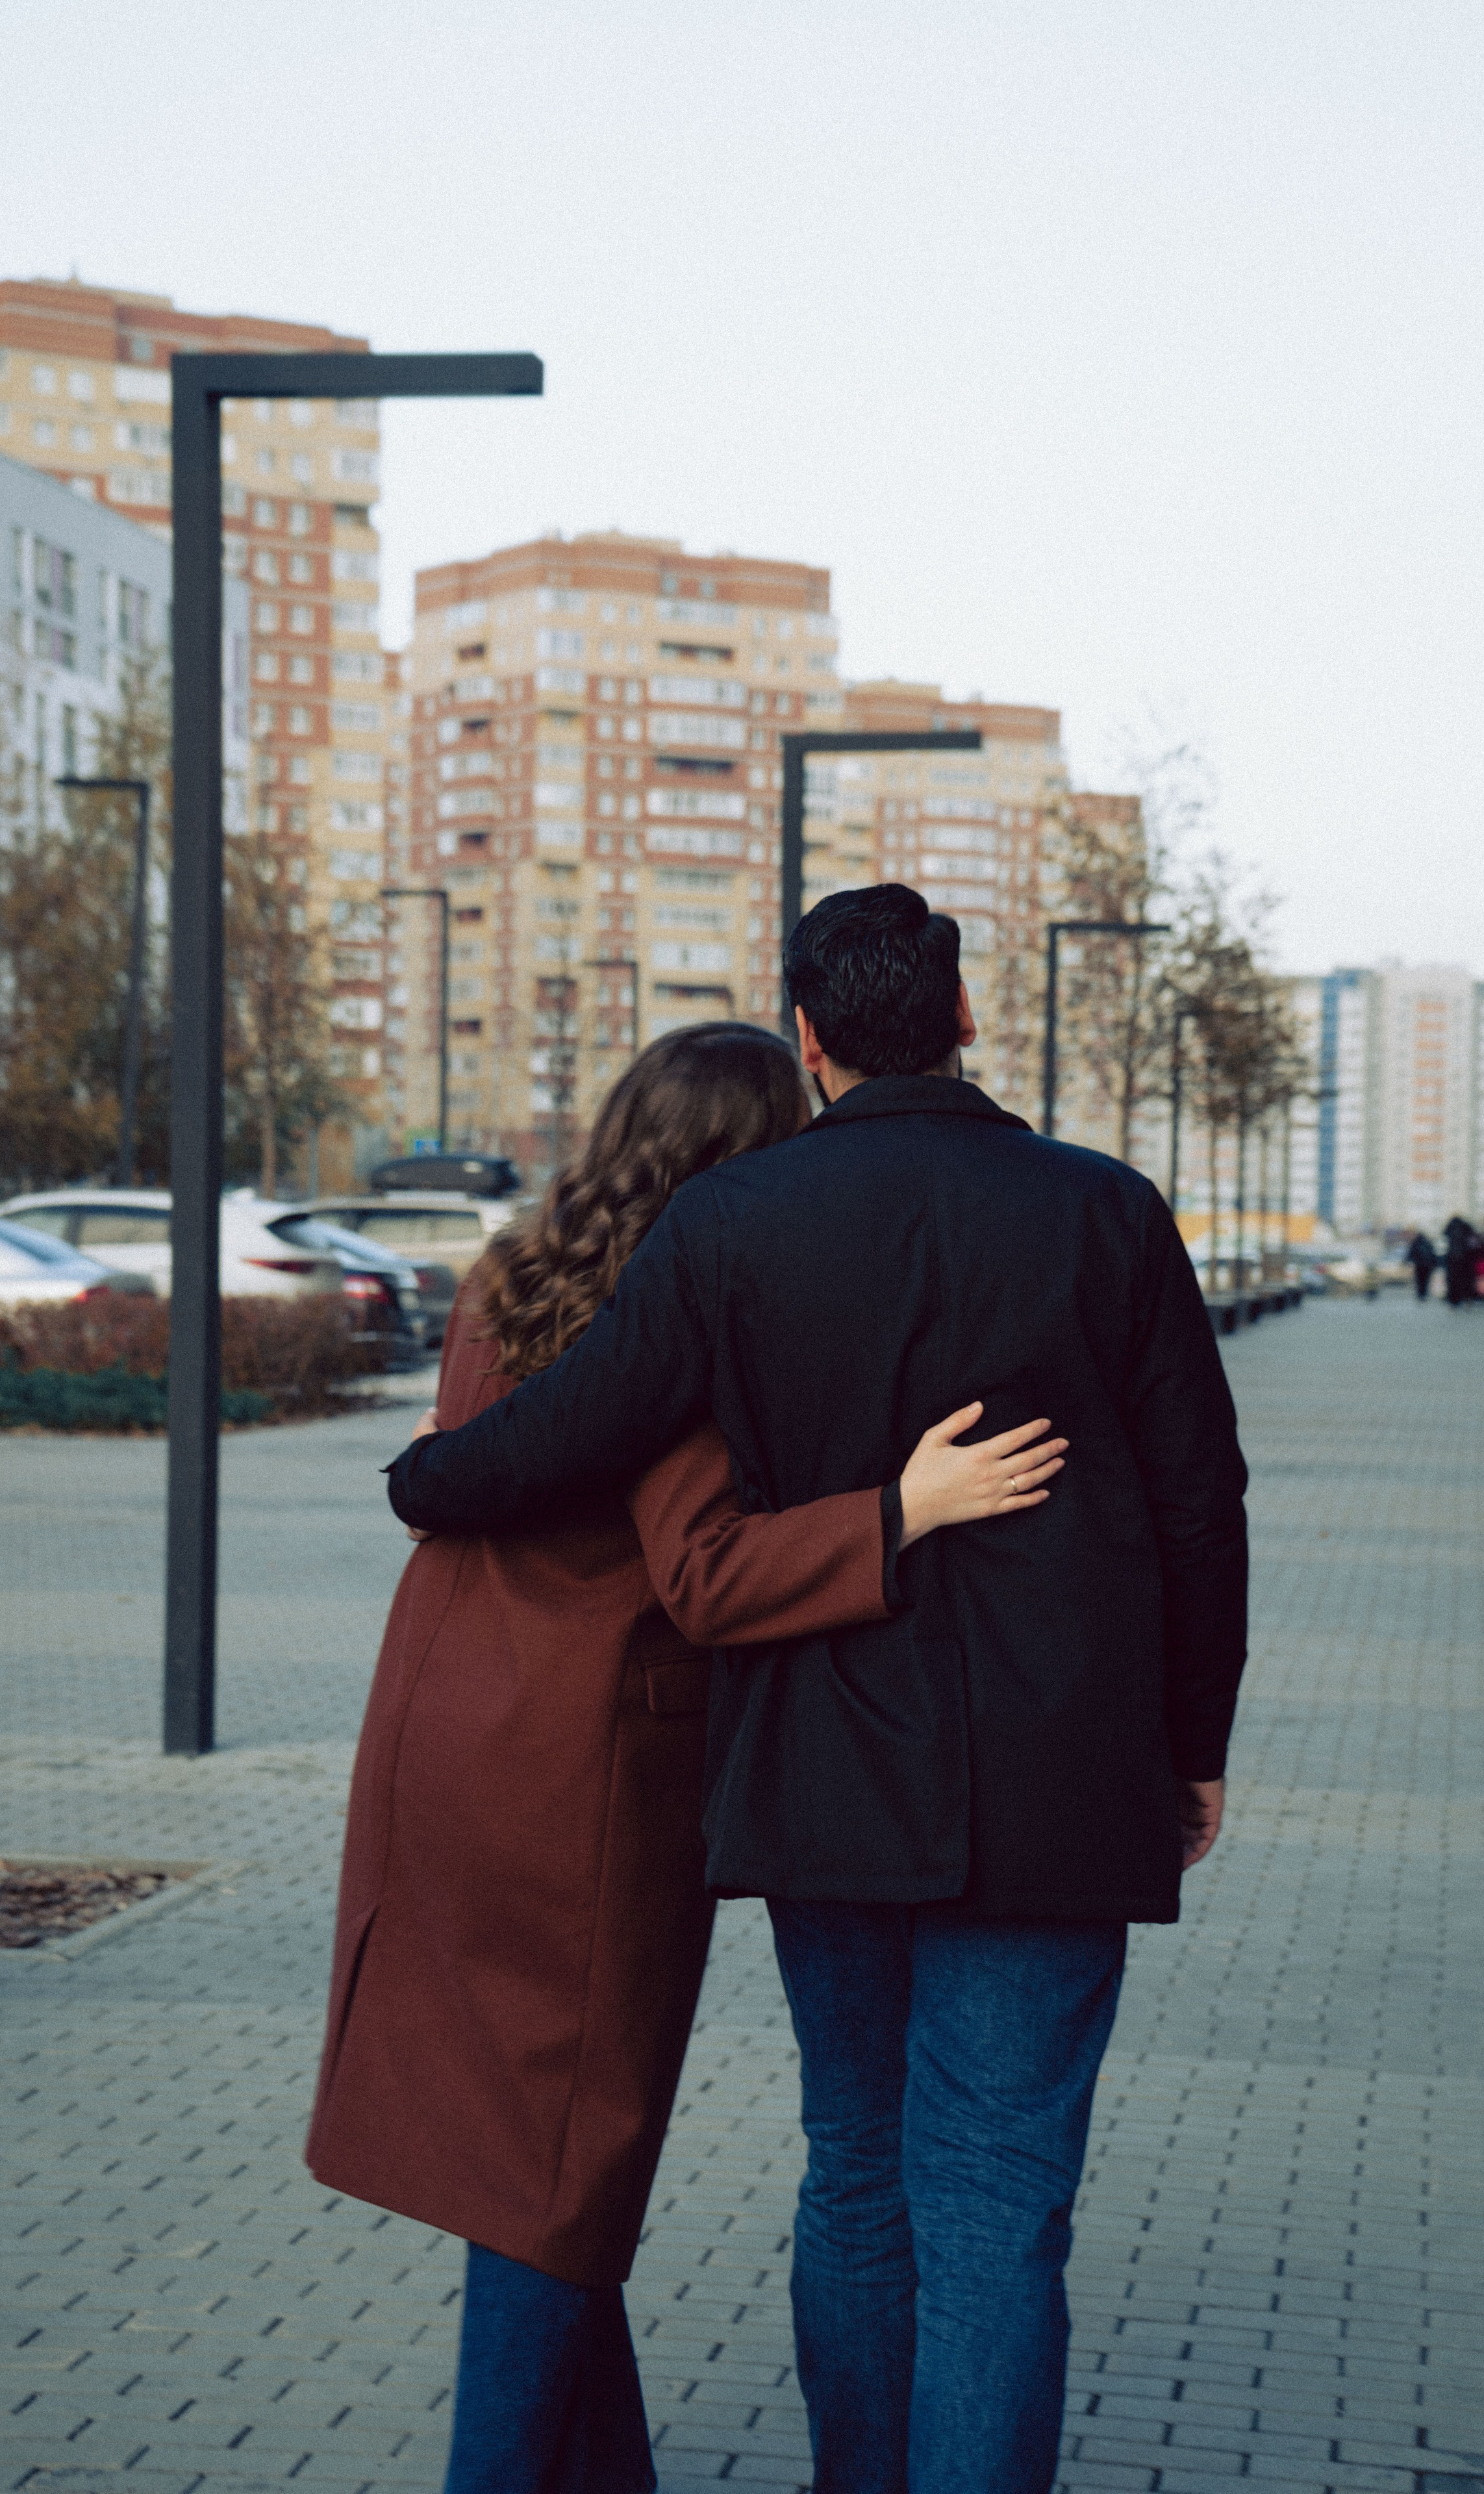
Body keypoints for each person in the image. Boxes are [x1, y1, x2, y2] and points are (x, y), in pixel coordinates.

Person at [387, 886, 1250, 2494]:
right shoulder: (1107, 1212)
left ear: (808, 1034)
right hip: (1063, 1776)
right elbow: (1203, 1501)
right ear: (968, 1017)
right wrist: (1186, 1744)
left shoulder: (731, 1224)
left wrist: (431, 1473)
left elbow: (580, 1421)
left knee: (855, 2167)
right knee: (996, 2199)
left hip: (825, 1767)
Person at [307, 1020, 1067, 2494]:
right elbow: (706, 1572)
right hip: (578, 1782)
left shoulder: (508, 1275)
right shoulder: (684, 1317)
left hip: (440, 1740)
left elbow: (465, 1470)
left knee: (511, 2151)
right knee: (556, 2172)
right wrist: (900, 1507)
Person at [1444, 1213, 1479, 1305]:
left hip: (1453, 1258)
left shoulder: (1451, 1228)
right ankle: (1465, 1298)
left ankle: (1454, 1300)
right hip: (1465, 1259)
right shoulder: (1466, 1228)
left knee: (1453, 1280)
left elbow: (1445, 1235)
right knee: (1464, 1280)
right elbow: (1474, 1243)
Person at [1405, 1230, 1437, 1299]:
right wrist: (1434, 1264)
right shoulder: (1428, 1243)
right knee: (1426, 1280)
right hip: (1428, 1266)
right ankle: (1424, 1293)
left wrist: (1407, 1261)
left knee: (1420, 1280)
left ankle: (1420, 1294)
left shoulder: (1416, 1243)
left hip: (1419, 1265)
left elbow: (1411, 1253)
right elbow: (1433, 1254)